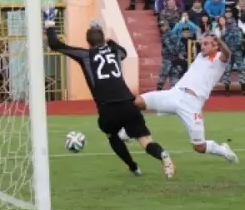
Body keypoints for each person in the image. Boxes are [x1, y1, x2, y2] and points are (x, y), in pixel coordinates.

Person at [44, 11, 174, 178]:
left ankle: (133, 167)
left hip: (108, 107)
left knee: (112, 136)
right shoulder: (114, 51)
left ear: (88, 42)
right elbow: (124, 52)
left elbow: (55, 44)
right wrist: (108, 40)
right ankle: (162, 154)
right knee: (145, 140)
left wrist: (49, 23)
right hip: (129, 102)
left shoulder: (86, 55)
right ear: (103, 39)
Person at [134, 32, 240, 163]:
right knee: (138, 101)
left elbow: (227, 54)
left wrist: (220, 43)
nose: (202, 46)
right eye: (202, 43)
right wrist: (208, 39)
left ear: (215, 45)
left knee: (199, 147)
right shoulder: (201, 56)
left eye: (206, 44)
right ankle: (129, 131)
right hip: (175, 94)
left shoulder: (219, 59)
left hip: (193, 103)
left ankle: (223, 150)